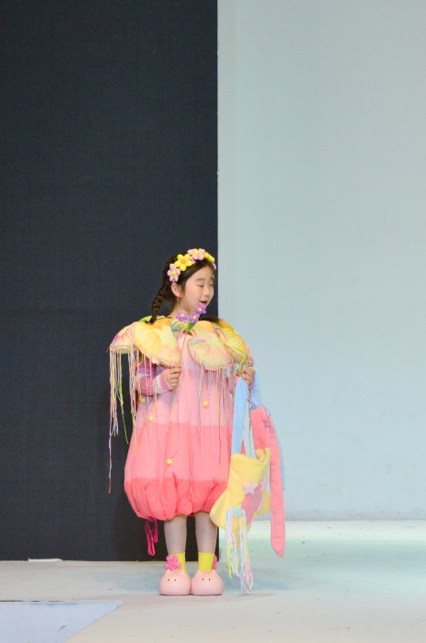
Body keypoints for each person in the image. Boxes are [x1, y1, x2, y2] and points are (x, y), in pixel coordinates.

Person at [108, 248, 255, 596]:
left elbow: (226, 382)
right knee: (172, 498)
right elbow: (139, 381)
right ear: (177, 288)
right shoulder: (155, 333)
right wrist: (159, 382)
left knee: (207, 496)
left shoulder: (216, 334)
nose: (206, 292)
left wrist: (242, 380)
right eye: (199, 284)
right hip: (169, 427)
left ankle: (206, 568)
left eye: (210, 284)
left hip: (207, 428)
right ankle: (175, 566)